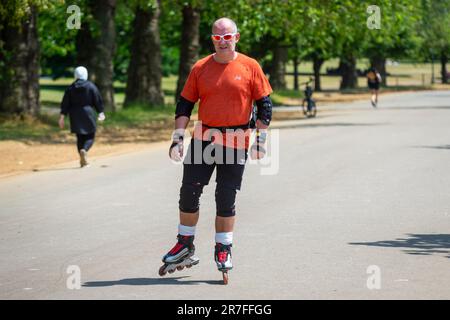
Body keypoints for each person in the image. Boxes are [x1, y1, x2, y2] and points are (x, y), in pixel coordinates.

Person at [159, 17, 273, 283]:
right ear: (212, 39)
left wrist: (261, 139)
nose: (223, 42)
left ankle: (223, 249)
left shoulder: (250, 66)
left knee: (225, 196)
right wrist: (177, 138)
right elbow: (185, 104)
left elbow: (265, 105)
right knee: (189, 191)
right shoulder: (200, 68)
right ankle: (185, 243)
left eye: (227, 37)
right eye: (218, 37)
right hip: (204, 137)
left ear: (237, 37)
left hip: (237, 139)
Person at [59, 66, 105, 167]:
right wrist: (101, 112)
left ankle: (81, 155)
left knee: (80, 136)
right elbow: (97, 99)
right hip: (88, 112)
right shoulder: (91, 86)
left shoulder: (70, 88)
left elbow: (65, 103)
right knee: (90, 135)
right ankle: (85, 150)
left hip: (75, 114)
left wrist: (62, 116)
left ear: (75, 75)